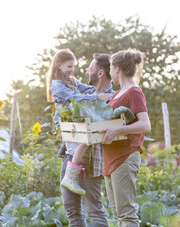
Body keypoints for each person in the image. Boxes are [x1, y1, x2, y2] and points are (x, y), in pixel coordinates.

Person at [58, 53, 114, 226]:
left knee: (94, 210)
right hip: (70, 156)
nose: (87, 70)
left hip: (91, 161)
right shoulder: (87, 93)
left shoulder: (112, 98)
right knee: (72, 210)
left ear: (100, 73)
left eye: (91, 67)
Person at [46, 49, 111, 196]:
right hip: (64, 121)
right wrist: (97, 97)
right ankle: (70, 178)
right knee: (83, 142)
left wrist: (104, 91)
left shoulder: (71, 80)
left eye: (73, 67)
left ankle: (76, 179)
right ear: (58, 65)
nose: (72, 70)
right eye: (69, 67)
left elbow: (87, 88)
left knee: (85, 140)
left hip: (74, 119)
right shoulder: (57, 85)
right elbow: (75, 97)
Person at [100, 48, 151, 227]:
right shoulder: (117, 93)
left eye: (111, 68)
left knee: (126, 215)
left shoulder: (134, 92)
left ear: (117, 69)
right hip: (111, 158)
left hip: (125, 157)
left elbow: (145, 124)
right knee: (118, 213)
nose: (109, 72)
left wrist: (117, 131)